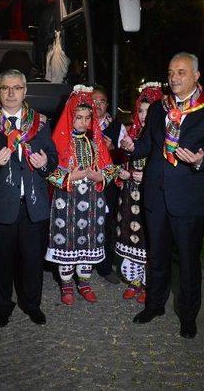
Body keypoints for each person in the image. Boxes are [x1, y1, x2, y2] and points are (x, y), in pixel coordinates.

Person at [121, 52, 204, 339]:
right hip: (155, 195)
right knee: (157, 255)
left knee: (190, 262)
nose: (174, 78)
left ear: (196, 75)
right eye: (170, 72)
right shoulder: (158, 108)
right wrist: (131, 146)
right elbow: (147, 146)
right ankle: (154, 305)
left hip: (190, 198)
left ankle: (188, 316)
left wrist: (199, 161)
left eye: (181, 72)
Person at [0, 69, 58, 328]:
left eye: (17, 88)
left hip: (33, 206)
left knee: (33, 261)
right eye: (6, 88)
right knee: (0, 264)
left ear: (24, 91)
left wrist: (45, 164)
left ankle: (32, 305)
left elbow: (53, 159)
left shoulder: (40, 122)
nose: (11, 93)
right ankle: (2, 307)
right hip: (0, 208)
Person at [46, 85, 125, 305]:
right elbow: (50, 172)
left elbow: (110, 168)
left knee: (89, 240)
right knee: (68, 241)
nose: (83, 122)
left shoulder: (95, 142)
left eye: (87, 118)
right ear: (70, 117)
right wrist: (70, 175)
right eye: (78, 117)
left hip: (92, 201)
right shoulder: (59, 141)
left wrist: (101, 177)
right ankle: (67, 284)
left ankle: (84, 282)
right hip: (67, 201)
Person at [115, 82, 163, 303]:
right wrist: (122, 172)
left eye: (150, 111)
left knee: (147, 239)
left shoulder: (163, 138)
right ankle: (134, 281)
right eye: (142, 111)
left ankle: (148, 284)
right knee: (130, 236)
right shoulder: (132, 133)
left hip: (150, 196)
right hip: (129, 195)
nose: (144, 117)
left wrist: (147, 178)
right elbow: (121, 162)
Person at [92, 85, 125, 284]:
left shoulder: (117, 127)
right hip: (85, 182)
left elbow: (125, 156)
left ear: (107, 104)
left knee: (108, 222)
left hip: (109, 183)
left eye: (101, 101)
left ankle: (105, 265)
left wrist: (113, 150)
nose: (97, 104)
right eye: (93, 100)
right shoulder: (81, 123)